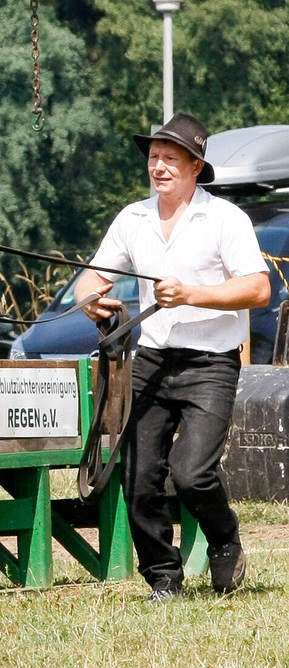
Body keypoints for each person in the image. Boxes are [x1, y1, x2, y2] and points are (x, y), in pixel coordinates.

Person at [75, 112, 271, 601]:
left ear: (195, 166)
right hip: (152, 361)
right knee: (138, 476)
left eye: (169, 159)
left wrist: (191, 294)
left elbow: (259, 288)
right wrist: (90, 300)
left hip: (210, 364)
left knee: (192, 473)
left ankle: (226, 539)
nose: (158, 167)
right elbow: (91, 277)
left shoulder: (226, 218)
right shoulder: (132, 218)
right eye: (153, 158)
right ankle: (164, 579)